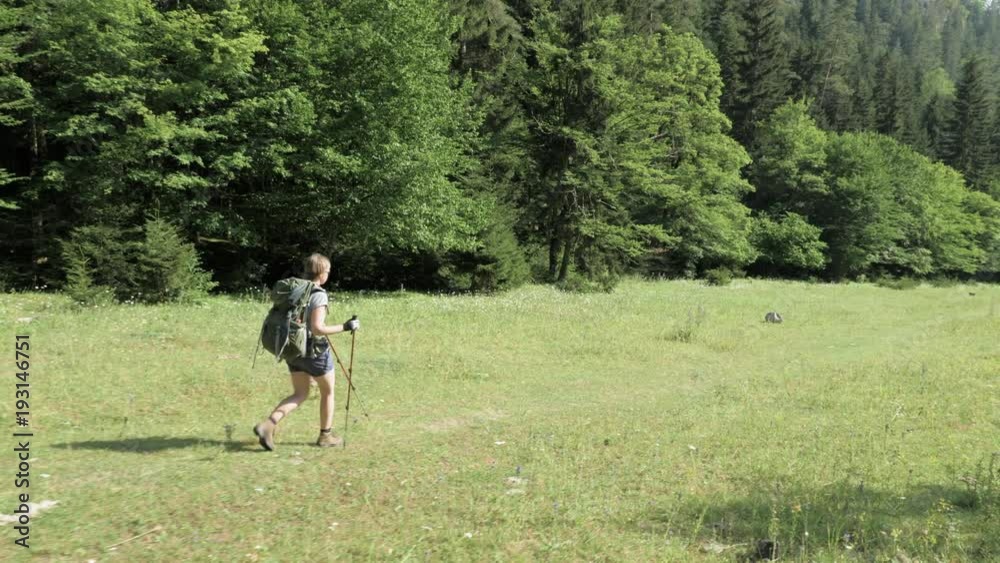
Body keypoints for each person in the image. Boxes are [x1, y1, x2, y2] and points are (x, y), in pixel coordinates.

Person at [254, 253, 359, 450]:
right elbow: (318, 328)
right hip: (314, 352)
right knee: (328, 392)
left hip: (292, 350)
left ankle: (268, 425)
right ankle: (325, 436)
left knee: (300, 393)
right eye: (327, 271)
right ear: (321, 273)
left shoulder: (296, 290)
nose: (328, 274)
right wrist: (346, 327)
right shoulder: (318, 294)